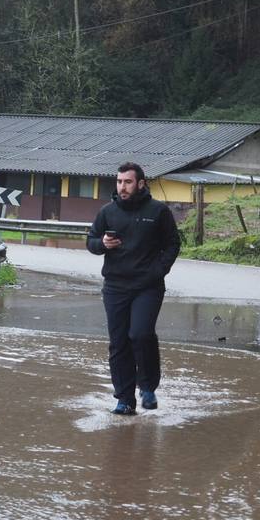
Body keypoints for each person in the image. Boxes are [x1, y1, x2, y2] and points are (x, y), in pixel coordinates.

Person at [86, 162, 181, 415]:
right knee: (119, 343)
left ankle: (148, 387)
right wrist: (103, 244)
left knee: (140, 334)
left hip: (148, 286)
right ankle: (125, 399)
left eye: (127, 182)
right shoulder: (107, 212)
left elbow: (173, 244)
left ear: (140, 184)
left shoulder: (158, 211)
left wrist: (159, 270)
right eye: (119, 182)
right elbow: (91, 241)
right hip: (116, 286)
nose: (122, 187)